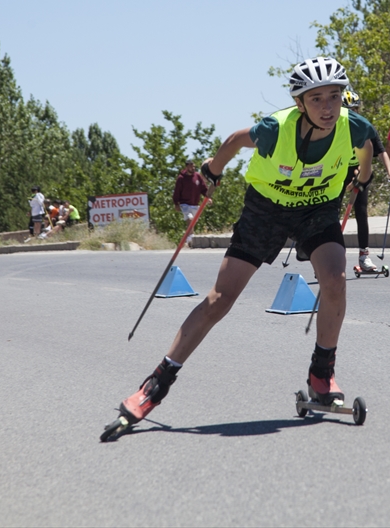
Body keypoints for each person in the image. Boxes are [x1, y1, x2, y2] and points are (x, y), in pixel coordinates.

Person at [103, 57, 373, 439]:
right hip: (266, 211)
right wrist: (211, 172)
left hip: (317, 210)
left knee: (335, 279)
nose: (328, 107)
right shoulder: (274, 130)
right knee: (220, 298)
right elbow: (233, 141)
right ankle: (156, 383)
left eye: (334, 96)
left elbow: (366, 152)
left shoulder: (354, 126)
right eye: (317, 99)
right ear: (300, 103)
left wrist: (361, 180)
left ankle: (322, 373)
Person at [341, 90, 390, 272]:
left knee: (361, 212)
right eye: (348, 110)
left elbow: (382, 151)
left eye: (355, 109)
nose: (352, 114)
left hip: (360, 172)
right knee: (330, 213)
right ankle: (329, 258)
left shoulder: (365, 127)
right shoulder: (333, 128)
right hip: (337, 173)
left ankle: (364, 256)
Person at [173, 160, 209, 226]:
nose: (193, 168)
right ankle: (190, 235)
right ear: (186, 167)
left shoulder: (197, 176)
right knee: (190, 219)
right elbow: (177, 191)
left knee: (193, 223)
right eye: (191, 166)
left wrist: (208, 197)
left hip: (195, 204)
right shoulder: (181, 178)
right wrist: (176, 203)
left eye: (194, 166)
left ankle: (190, 236)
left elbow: (203, 188)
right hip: (185, 204)